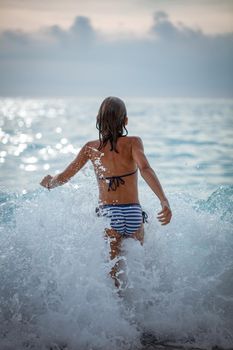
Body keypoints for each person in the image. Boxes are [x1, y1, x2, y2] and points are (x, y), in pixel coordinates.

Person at [40, 96, 172, 287]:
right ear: (126, 121)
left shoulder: (91, 148)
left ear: (97, 120)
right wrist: (163, 200)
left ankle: (116, 311)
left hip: (110, 215)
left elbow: (66, 175)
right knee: (140, 272)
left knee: (112, 274)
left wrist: (50, 183)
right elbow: (145, 169)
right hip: (134, 214)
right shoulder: (134, 142)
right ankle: (143, 308)